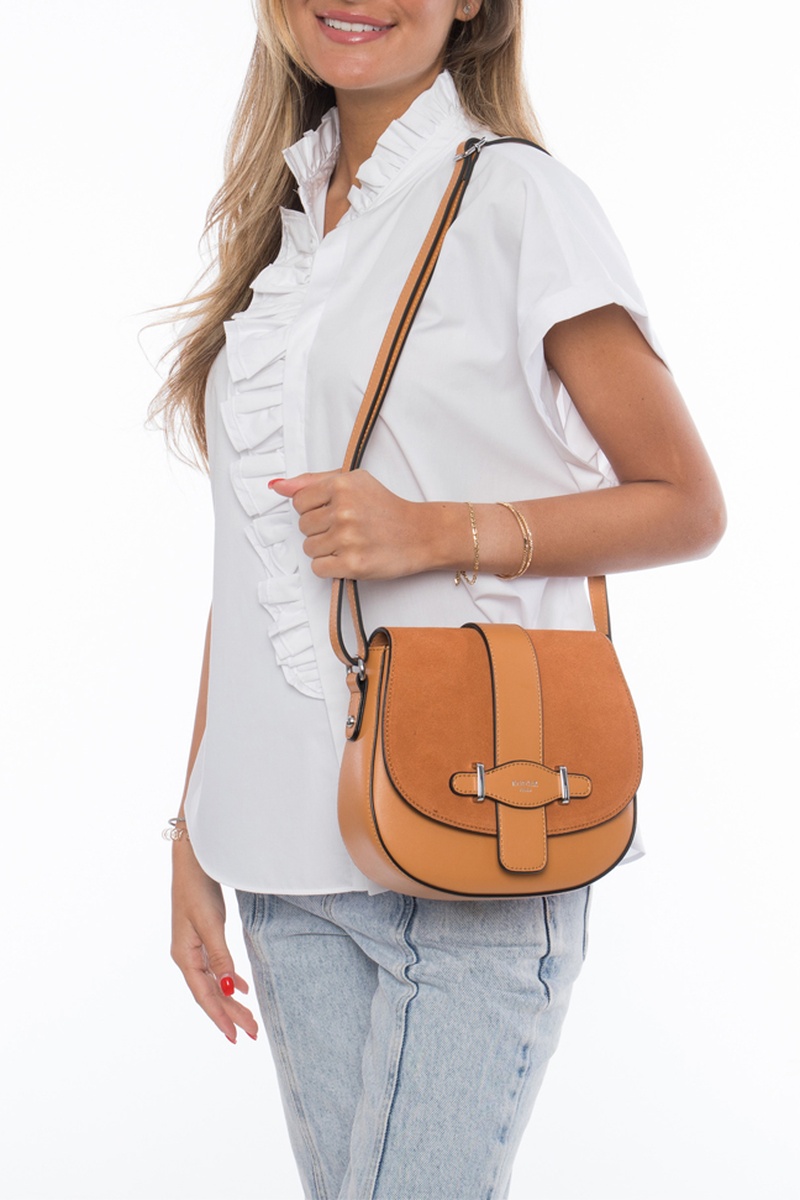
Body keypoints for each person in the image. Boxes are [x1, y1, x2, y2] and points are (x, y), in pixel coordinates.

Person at [154, 1, 725, 1196]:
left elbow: (684, 502)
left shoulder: (515, 200)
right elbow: (255, 564)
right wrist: (192, 833)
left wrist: (436, 531)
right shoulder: (286, 226)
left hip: (468, 835)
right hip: (280, 864)